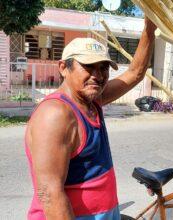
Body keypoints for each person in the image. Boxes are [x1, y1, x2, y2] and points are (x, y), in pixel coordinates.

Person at [24, 18, 156, 219]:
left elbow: (135, 73)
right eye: (88, 66)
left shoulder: (92, 100)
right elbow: (50, 194)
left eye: (103, 67)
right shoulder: (56, 114)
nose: (98, 75)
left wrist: (150, 28)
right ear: (63, 68)